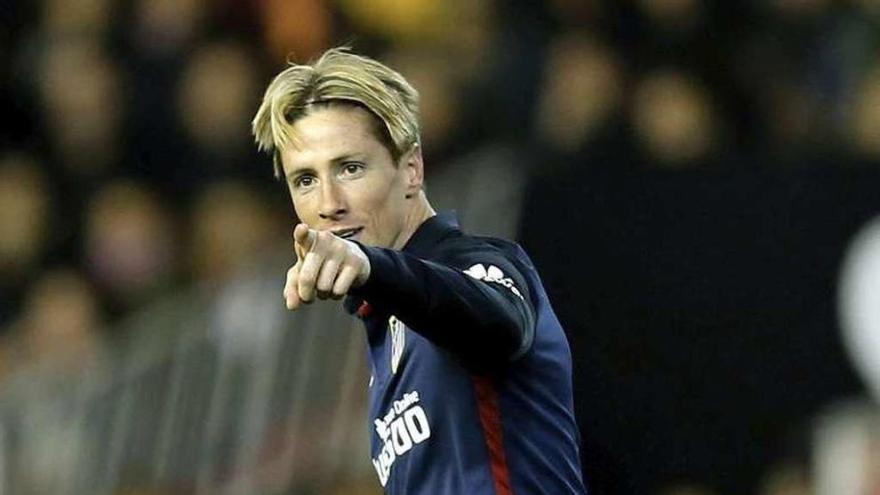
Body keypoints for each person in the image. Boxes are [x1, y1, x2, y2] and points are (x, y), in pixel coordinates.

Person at [252, 47, 587, 494]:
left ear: (411, 169)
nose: (329, 204)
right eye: (306, 180)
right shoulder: (386, 338)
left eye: (350, 168)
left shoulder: (475, 264)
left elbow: (499, 326)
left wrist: (371, 267)